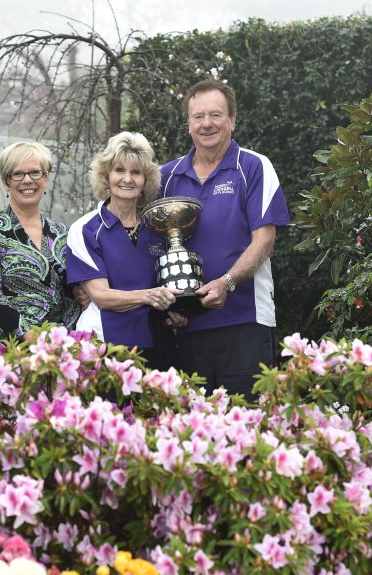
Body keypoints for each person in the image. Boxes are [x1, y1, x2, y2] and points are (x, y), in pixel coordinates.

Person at [159, 79, 290, 399]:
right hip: (186, 327)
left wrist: (226, 282)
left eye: (216, 115)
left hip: (245, 322)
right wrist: (164, 305)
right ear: (187, 125)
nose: (207, 124)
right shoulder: (165, 177)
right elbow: (148, 247)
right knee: (193, 434)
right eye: (198, 117)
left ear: (232, 120)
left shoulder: (254, 166)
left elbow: (265, 241)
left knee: (247, 429)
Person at [65, 131, 179, 368]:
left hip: (157, 344)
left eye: (136, 172)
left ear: (145, 180)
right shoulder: (84, 229)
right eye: (119, 170)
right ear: (106, 175)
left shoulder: (160, 227)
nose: (127, 179)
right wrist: (150, 295)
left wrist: (180, 311)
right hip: (104, 346)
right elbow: (101, 296)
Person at [0, 142, 80, 343]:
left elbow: (73, 294)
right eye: (17, 174)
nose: (27, 180)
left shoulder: (63, 234)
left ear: (45, 179)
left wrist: (64, 341)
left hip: (56, 353)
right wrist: (31, 338)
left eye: (35, 173)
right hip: (4, 352)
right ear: (6, 182)